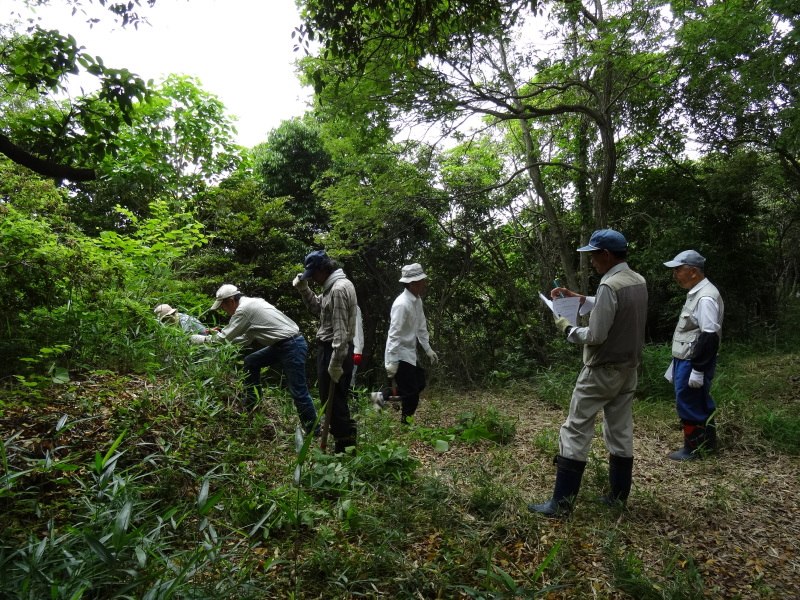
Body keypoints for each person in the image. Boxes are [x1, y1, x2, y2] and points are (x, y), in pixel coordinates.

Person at [529, 229, 648, 517]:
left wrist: (568, 329)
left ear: (606, 255)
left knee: (575, 428)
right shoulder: (636, 280)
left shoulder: (610, 286)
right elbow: (614, 307)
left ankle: (561, 503)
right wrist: (580, 298)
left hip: (601, 370)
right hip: (628, 369)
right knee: (620, 430)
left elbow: (595, 334)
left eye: (593, 255)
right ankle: (618, 497)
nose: (592, 261)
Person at [189, 284, 318, 433]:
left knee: (298, 391)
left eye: (223, 308)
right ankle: (253, 405)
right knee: (251, 361)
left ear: (231, 301)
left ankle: (313, 430)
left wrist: (200, 339)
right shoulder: (253, 303)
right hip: (282, 345)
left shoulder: (244, 309)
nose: (225, 312)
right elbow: (245, 339)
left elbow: (224, 338)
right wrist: (213, 337)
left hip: (291, 345)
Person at [293, 251, 359, 453]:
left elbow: (341, 332)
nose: (312, 278)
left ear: (324, 269)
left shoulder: (338, 289)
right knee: (335, 399)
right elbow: (317, 308)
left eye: (313, 274)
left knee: (333, 401)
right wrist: (304, 290)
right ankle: (346, 440)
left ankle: (344, 448)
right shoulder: (332, 287)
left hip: (334, 350)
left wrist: (336, 362)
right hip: (334, 350)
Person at [663, 250, 724, 461]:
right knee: (695, 400)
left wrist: (698, 369)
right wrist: (675, 362)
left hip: (694, 361)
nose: (674, 274)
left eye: (678, 270)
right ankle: (706, 445)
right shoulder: (697, 293)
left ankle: (695, 449)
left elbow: (709, 336)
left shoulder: (706, 297)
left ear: (693, 271)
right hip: (687, 359)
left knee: (690, 401)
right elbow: (690, 332)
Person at [373, 263, 438, 425]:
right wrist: (392, 361)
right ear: (412, 283)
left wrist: (427, 348)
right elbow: (393, 334)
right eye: (422, 281)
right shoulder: (402, 304)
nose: (425, 284)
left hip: (410, 351)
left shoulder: (417, 300)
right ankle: (405, 424)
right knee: (412, 394)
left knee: (419, 383)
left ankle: (381, 397)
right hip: (399, 353)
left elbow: (421, 326)